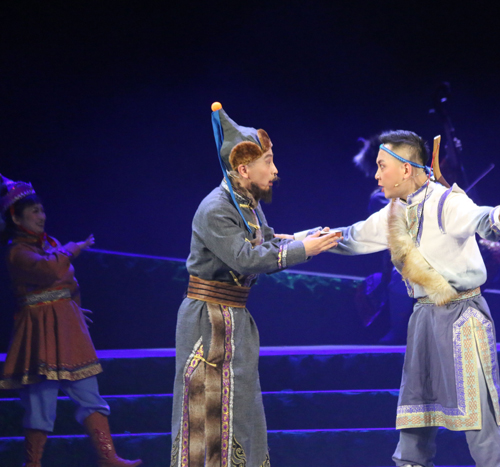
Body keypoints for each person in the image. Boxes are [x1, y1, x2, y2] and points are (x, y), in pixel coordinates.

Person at [314, 130, 500, 467]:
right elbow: (351, 237)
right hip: (423, 317)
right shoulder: (394, 212)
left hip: (462, 318)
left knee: (477, 418)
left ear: (406, 169)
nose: (376, 175)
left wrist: (499, 217)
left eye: (382, 166)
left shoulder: (446, 201)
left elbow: (480, 218)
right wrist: (299, 241)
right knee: (415, 416)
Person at [170, 103, 339, 467]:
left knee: (242, 411)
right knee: (208, 412)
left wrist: (305, 239)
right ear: (244, 169)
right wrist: (303, 250)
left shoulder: (245, 202)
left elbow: (265, 241)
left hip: (234, 318)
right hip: (209, 321)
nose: (275, 171)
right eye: (268, 162)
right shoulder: (216, 208)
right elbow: (246, 258)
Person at [353, 135, 500, 344]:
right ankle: (398, 331)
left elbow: (446, 176)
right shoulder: (381, 198)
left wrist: (452, 154)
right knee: (401, 279)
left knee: (492, 250)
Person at [0, 174, 141, 467]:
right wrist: (72, 248)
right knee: (40, 402)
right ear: (16, 217)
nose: (42, 216)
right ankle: (33, 464)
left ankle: (107, 457)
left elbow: (68, 281)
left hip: (67, 329)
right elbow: (48, 271)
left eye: (42, 210)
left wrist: (73, 308)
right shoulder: (17, 251)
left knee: (89, 394)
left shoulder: (50, 243)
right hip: (39, 332)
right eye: (34, 211)